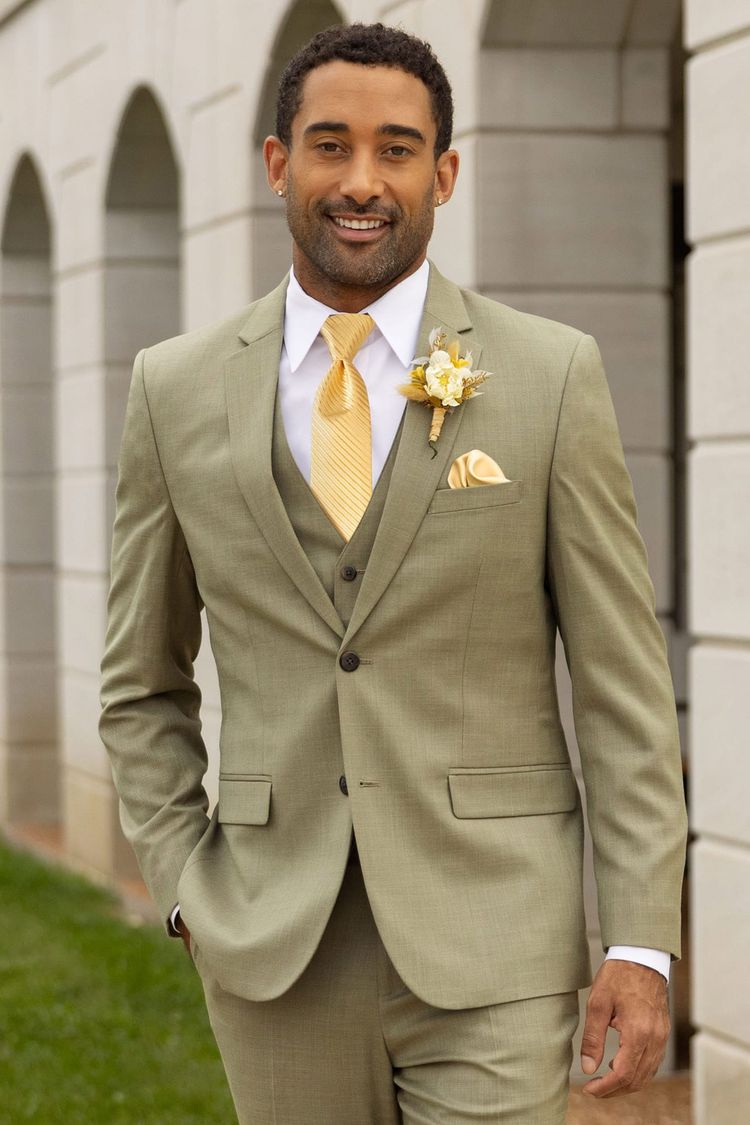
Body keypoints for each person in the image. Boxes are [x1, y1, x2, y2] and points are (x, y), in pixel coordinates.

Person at [98, 22, 688, 1125]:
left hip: (494, 937)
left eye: (398, 149)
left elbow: (623, 686)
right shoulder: (172, 391)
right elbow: (141, 680)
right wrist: (185, 890)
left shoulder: (551, 376)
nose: (362, 181)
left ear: (444, 173)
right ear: (279, 163)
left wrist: (643, 938)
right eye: (330, 145)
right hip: (273, 940)